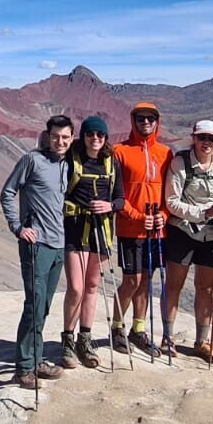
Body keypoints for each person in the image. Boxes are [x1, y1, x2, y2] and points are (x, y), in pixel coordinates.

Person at [0, 115, 75, 390]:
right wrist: (18, 227)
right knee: (34, 305)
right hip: (37, 245)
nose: (60, 141)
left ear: (71, 138)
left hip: (58, 244)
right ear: (48, 136)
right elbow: (7, 192)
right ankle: (23, 368)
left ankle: (37, 360)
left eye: (65, 137)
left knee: (44, 306)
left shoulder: (67, 164)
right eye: (55, 136)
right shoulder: (32, 160)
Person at [163, 120, 213, 363]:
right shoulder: (180, 163)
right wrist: (205, 212)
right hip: (182, 232)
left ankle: (202, 342)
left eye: (211, 139)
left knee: (206, 289)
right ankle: (167, 337)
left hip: (212, 236)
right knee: (174, 286)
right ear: (193, 138)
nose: (206, 143)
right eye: (202, 137)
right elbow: (171, 202)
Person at [60, 116, 123, 369]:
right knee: (76, 287)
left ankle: (84, 340)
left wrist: (109, 206)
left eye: (100, 135)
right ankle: (68, 339)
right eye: (90, 134)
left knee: (92, 286)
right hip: (75, 230)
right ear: (83, 136)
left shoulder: (111, 163)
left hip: (101, 231)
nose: (95, 139)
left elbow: (120, 199)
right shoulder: (71, 159)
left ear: (105, 138)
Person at [110, 102, 171, 356]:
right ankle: (116, 327)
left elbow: (170, 192)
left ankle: (138, 328)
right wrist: (136, 217)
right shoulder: (119, 151)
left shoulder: (166, 153)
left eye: (150, 118)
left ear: (157, 122)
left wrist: (164, 216)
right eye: (140, 118)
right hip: (130, 229)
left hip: (156, 229)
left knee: (146, 278)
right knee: (131, 280)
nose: (145, 122)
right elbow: (115, 193)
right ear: (133, 121)